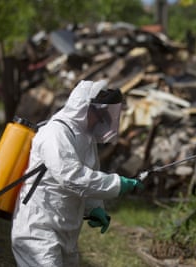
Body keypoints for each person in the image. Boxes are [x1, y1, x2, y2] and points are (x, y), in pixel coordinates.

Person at [11, 80, 142, 266]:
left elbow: (89, 175)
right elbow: (72, 177)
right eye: (100, 113)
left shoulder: (86, 138)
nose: (103, 120)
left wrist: (94, 207)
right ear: (84, 107)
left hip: (66, 230)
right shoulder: (55, 133)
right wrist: (118, 184)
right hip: (38, 228)